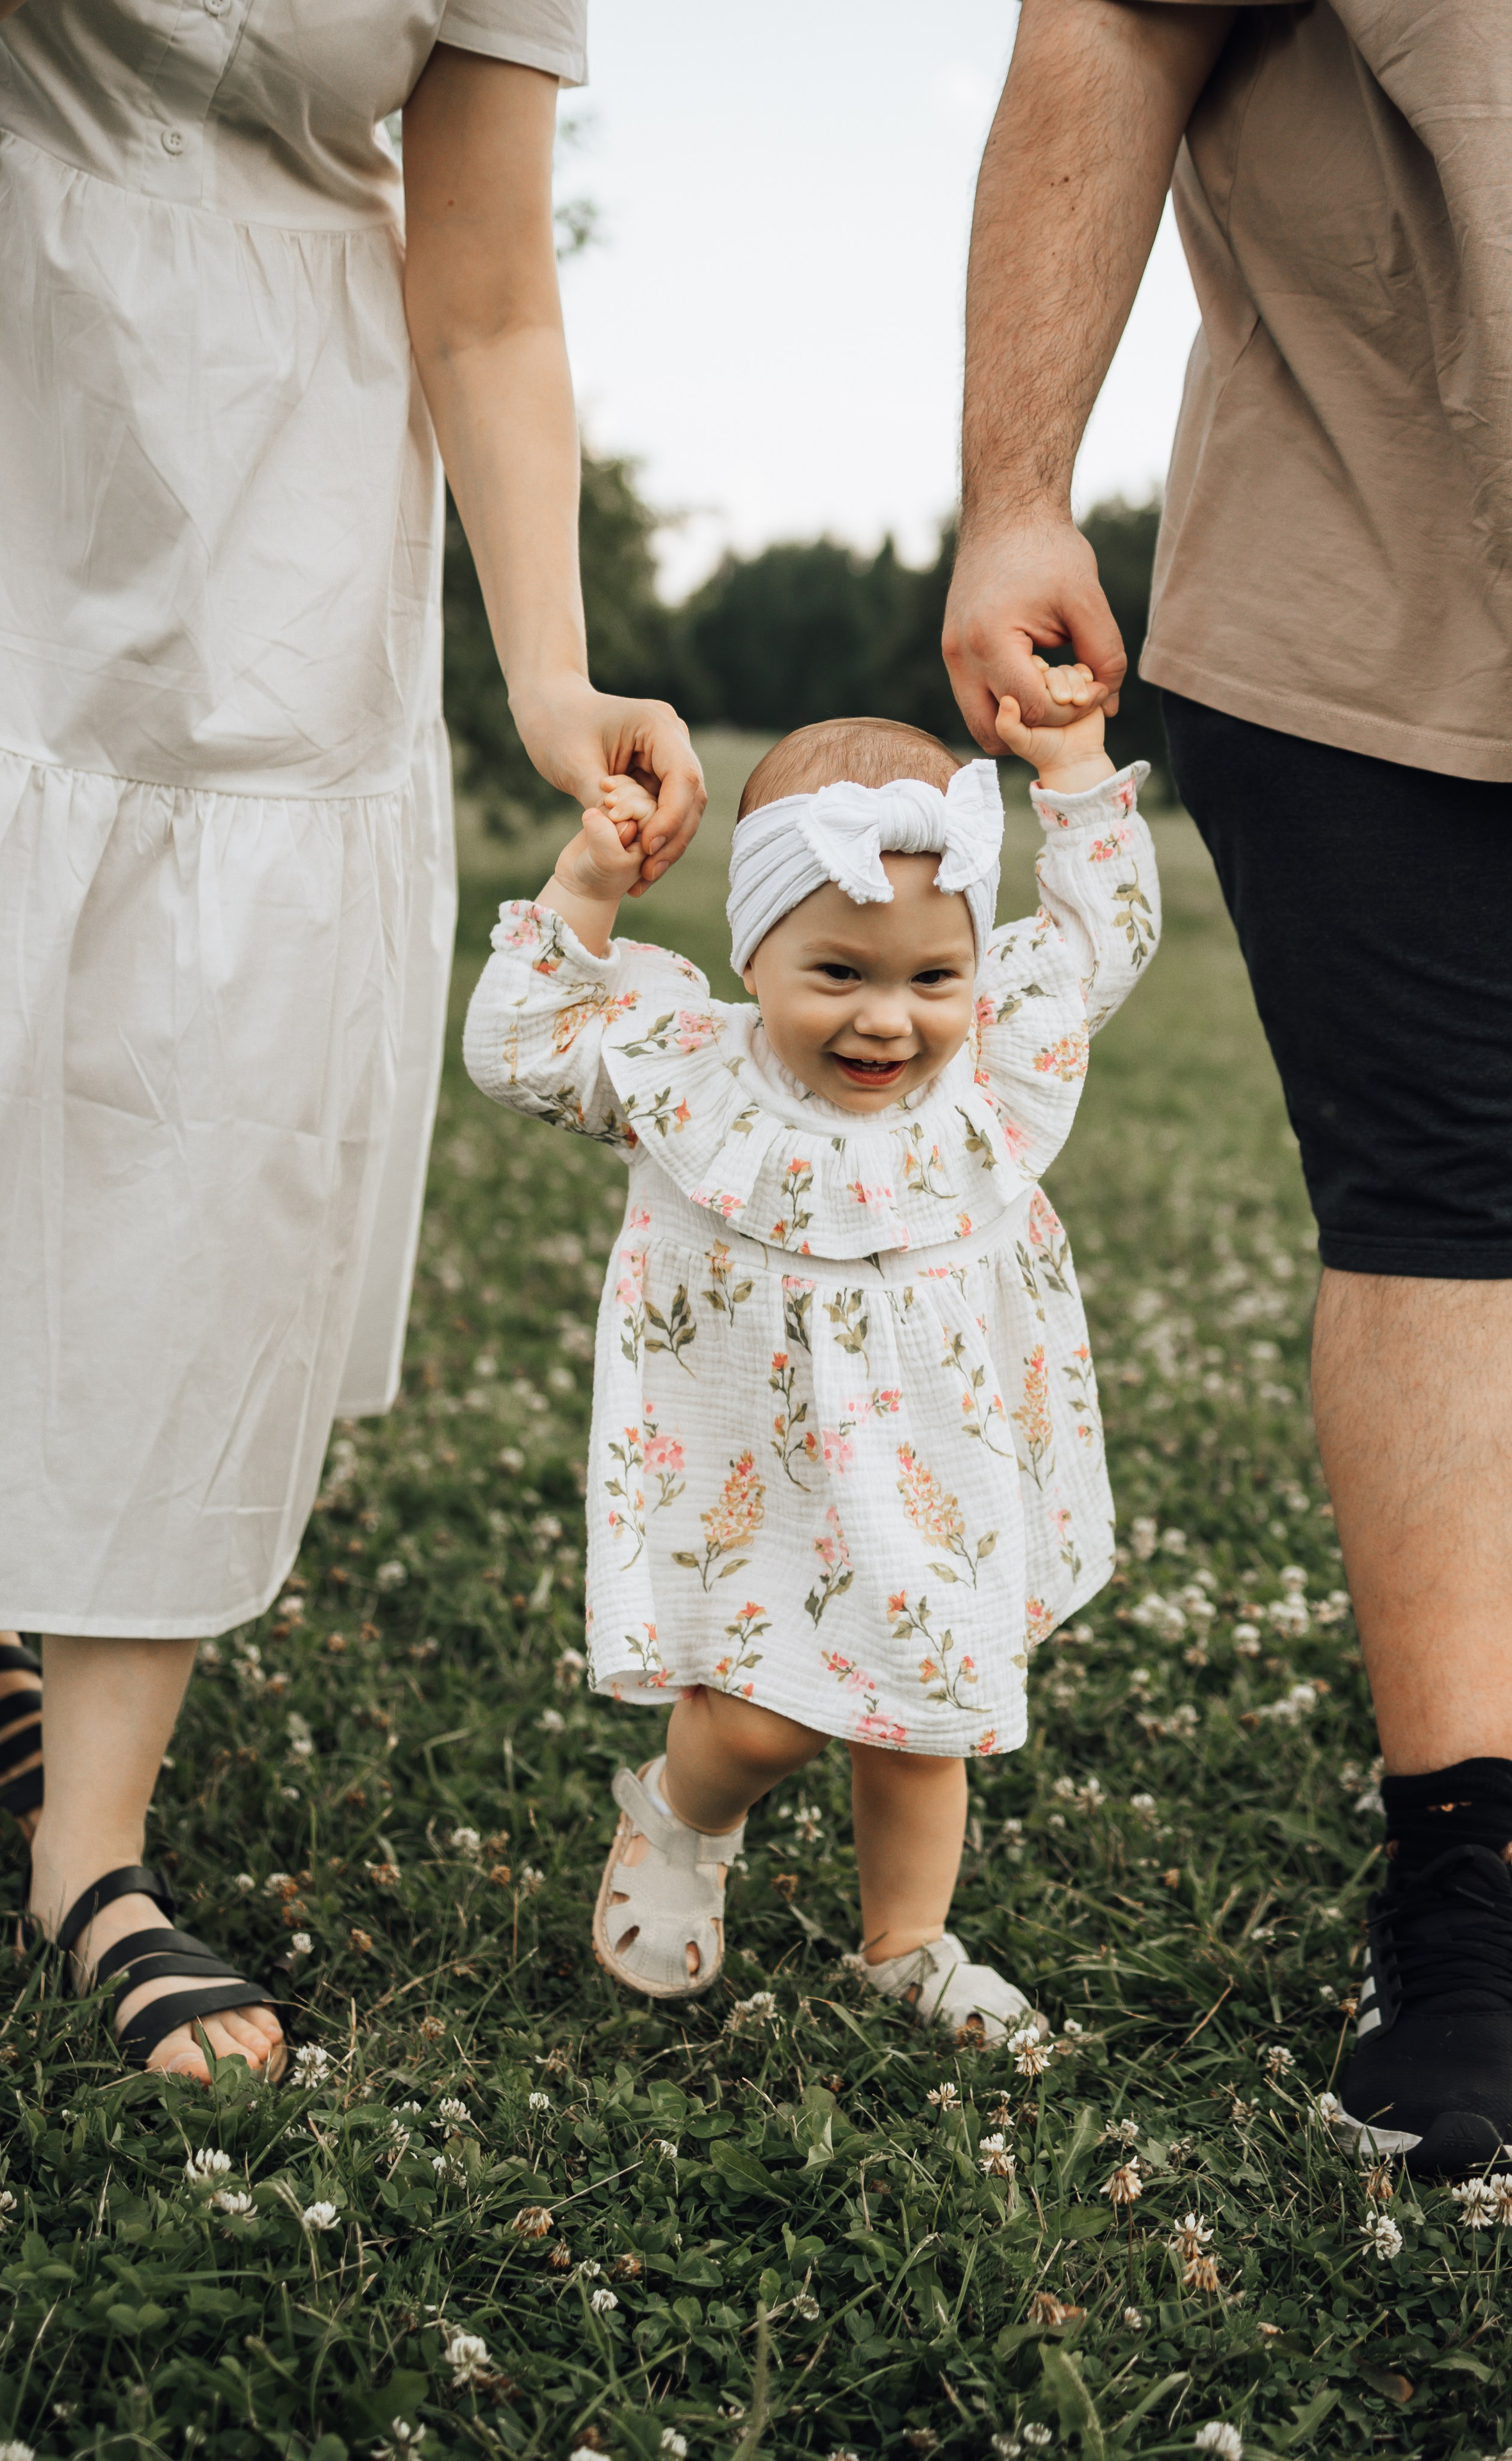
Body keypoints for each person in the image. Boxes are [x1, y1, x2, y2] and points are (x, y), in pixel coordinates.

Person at [944, 0, 1512, 2174]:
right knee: (1470, 1204)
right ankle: (1460, 1891)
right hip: (1411, 557)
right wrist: (1015, 491)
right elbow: (1117, 22)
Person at [0, 0, 704, 2080]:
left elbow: (485, 285)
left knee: (200, 1138)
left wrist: (552, 678)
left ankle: (92, 1852)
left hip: (274, 519)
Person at [463, 670, 1158, 2041]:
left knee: (930, 1710)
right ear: (753, 958)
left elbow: (1098, 935)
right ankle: (680, 1813)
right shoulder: (689, 1074)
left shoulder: (992, 1064)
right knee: (761, 1720)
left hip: (938, 1466)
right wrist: (587, 883)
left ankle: (906, 1941)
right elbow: (517, 1049)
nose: (887, 1020)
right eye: (836, 973)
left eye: (929, 977)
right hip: (758, 1470)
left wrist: (1073, 769)